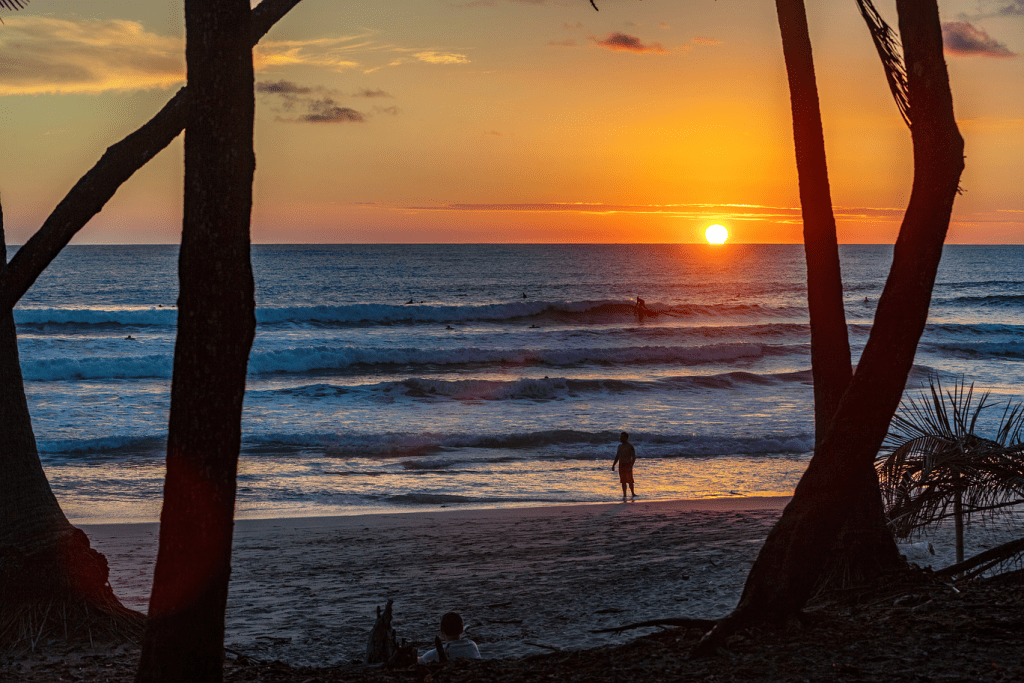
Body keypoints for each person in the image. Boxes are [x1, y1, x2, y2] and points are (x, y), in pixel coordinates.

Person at [611, 431, 637, 500]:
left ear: (626, 438)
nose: (620, 438)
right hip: (621, 465)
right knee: (623, 481)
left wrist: (631, 466)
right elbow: (617, 456)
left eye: (622, 437)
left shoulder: (630, 446)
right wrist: (613, 465)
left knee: (630, 480)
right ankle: (624, 494)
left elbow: (634, 457)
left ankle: (633, 493)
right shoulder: (619, 446)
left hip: (628, 464)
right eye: (620, 437)